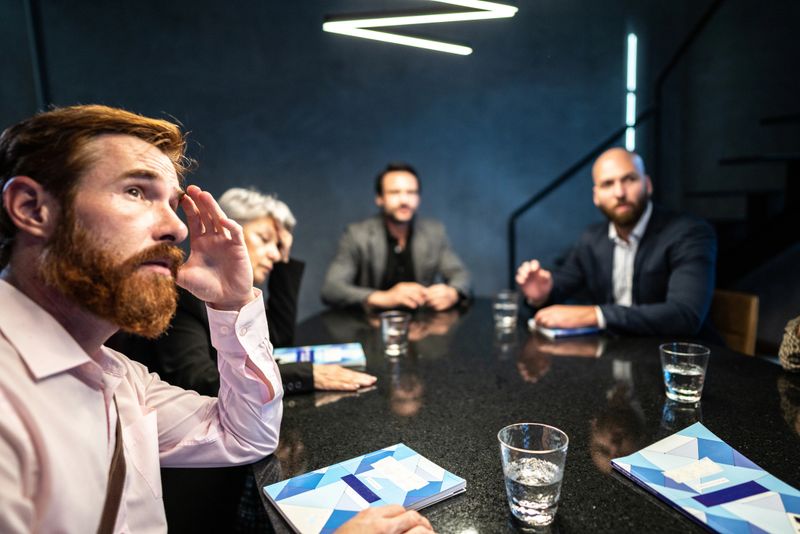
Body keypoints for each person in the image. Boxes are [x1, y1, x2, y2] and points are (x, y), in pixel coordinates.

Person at [0, 105, 432, 534]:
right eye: (135, 191)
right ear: (32, 208)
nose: (178, 228)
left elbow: (246, 435)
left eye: (174, 203)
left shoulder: (117, 374)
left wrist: (233, 303)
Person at [109, 187, 377, 394]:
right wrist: (304, 375)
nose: (274, 254)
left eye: (279, 246)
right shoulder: (183, 295)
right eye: (264, 239)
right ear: (227, 234)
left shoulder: (239, 293)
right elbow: (198, 381)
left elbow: (276, 342)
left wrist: (284, 261)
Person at [516, 148, 717, 338]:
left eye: (629, 179)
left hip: (676, 363)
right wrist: (542, 295)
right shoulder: (593, 239)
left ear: (647, 185)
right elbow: (562, 284)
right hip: (614, 355)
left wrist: (595, 315)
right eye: (607, 184)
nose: (619, 193)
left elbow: (685, 315)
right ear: (596, 196)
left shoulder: (689, 233)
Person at [321, 162, 470, 311]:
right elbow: (331, 288)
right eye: (394, 192)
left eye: (411, 192)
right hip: (370, 327)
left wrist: (453, 293)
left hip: (422, 326)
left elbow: (461, 275)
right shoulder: (357, 234)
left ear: (418, 198)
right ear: (380, 198)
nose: (404, 200)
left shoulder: (434, 232)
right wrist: (384, 297)